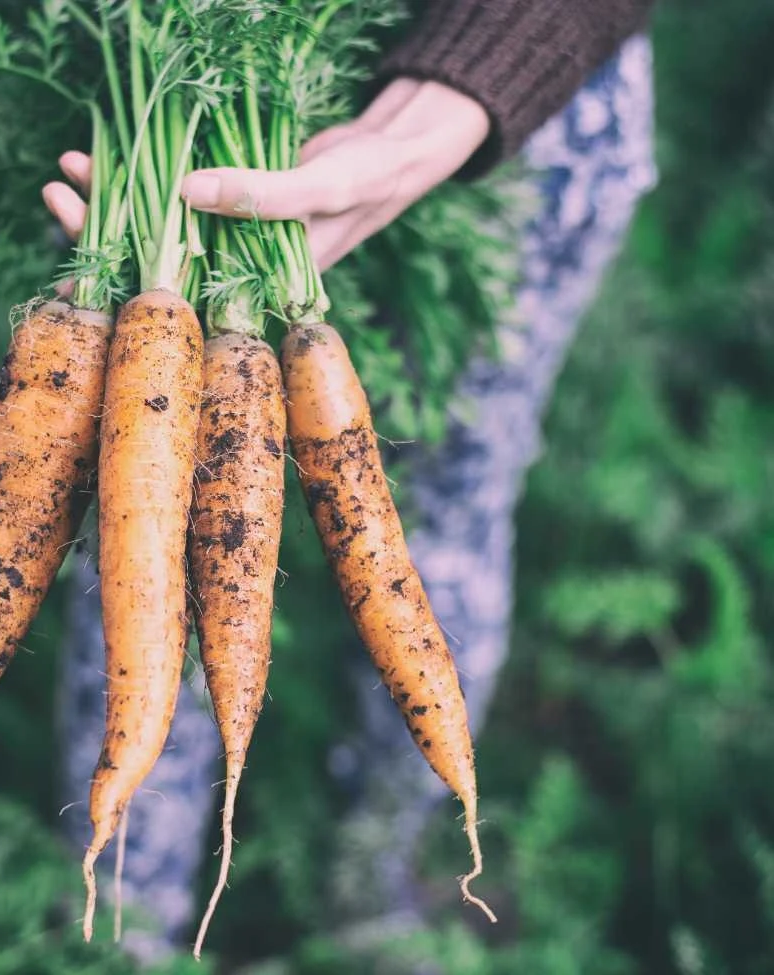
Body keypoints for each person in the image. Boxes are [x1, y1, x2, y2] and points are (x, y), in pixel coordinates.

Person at [46, 0, 659, 962]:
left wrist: (446, 105)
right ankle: (122, 922)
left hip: (521, 112)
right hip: (171, 172)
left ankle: (377, 872)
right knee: (136, 549)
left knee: (441, 521)